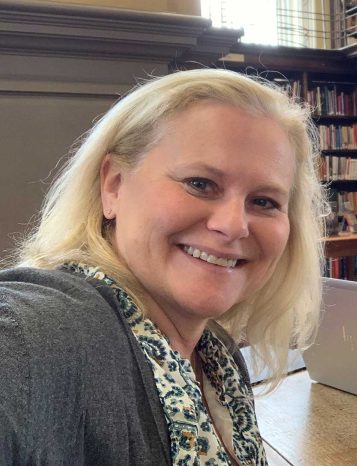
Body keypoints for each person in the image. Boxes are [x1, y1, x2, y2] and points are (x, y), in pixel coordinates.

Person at [0, 69, 328, 465]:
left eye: (264, 202)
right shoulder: (35, 336)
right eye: (200, 184)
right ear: (113, 186)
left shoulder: (217, 352)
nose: (233, 225)